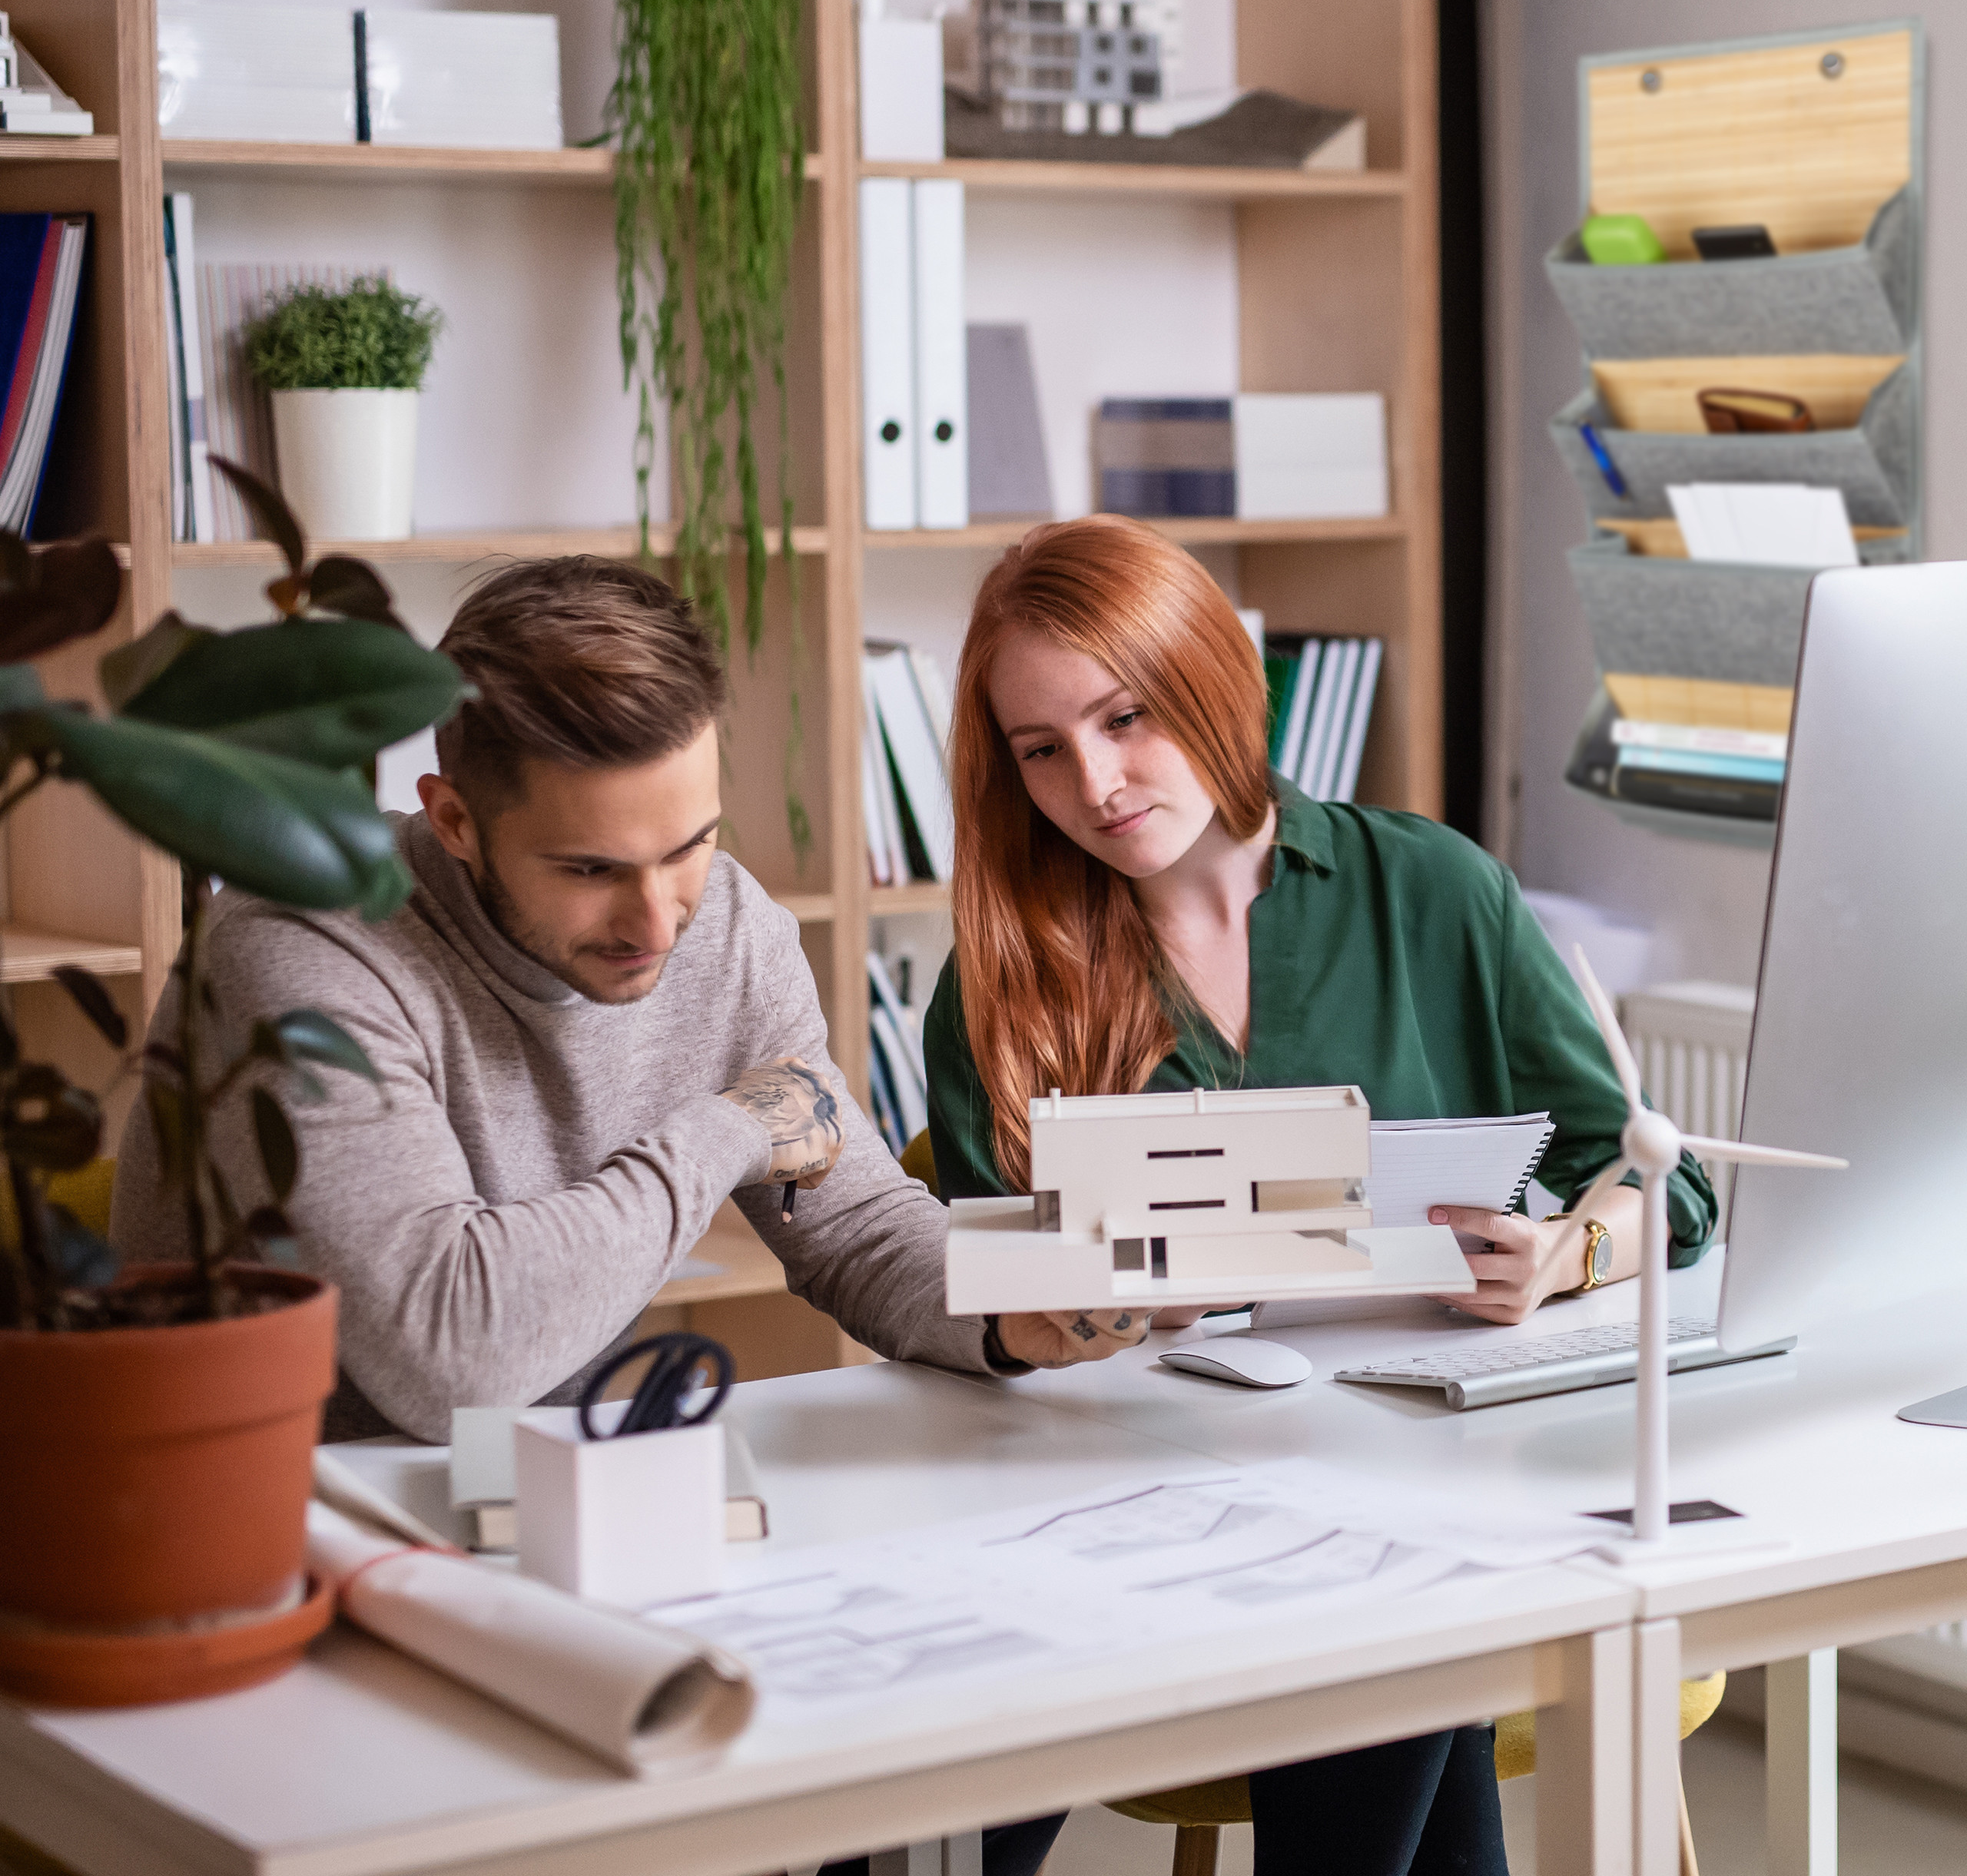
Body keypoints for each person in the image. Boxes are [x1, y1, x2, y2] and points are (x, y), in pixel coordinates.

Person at [923, 515, 1717, 1876]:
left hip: (1407, 1478)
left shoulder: (1431, 889)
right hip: (1119, 1517)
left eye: (1126, 716)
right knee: (1386, 1629)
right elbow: (978, 1300)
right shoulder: (1000, 975)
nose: (1096, 782)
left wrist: (1566, 1255)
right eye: (1040, 750)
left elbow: (1665, 1182)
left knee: (1390, 1603)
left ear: (1215, 679)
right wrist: (1080, 1307)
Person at [108, 557, 1120, 1453]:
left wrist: (1004, 1312)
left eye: (689, 846)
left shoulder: (726, 925)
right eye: (592, 868)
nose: (658, 919)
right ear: (455, 820)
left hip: (548, 1502)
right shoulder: (305, 945)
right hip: (262, 1514)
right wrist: (728, 1132)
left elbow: (849, 1223)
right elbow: (451, 1361)